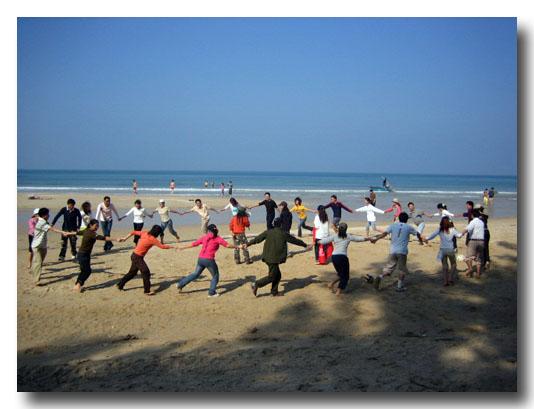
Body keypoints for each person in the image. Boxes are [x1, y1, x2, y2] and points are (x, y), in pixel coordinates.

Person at [245, 218, 311, 297]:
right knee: (272, 276)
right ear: (281, 225)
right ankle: (256, 284)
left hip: (267, 257)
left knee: (277, 275)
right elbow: (295, 240)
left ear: (273, 224)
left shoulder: (268, 232)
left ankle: (274, 292)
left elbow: (257, 239)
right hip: (273, 259)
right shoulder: (283, 233)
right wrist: (306, 245)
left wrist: (248, 244)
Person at [367, 212, 423, 292]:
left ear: (399, 218)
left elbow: (384, 234)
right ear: (407, 220)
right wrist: (420, 241)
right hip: (402, 252)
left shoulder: (393, 225)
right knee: (401, 270)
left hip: (392, 251)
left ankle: (380, 276)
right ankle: (399, 287)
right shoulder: (409, 227)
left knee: (389, 268)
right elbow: (417, 234)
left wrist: (376, 239)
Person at [177, 224, 238, 297]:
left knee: (195, 274)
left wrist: (183, 247)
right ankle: (211, 293)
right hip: (209, 260)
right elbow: (227, 245)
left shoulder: (205, 237)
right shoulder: (218, 238)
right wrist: (237, 246)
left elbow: (194, 244)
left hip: (200, 259)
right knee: (215, 276)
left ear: (208, 231)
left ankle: (180, 284)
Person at [117, 225, 176, 295]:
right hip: (137, 257)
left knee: (132, 273)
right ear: (157, 233)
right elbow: (162, 246)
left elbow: (133, 232)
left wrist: (125, 238)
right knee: (145, 272)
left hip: (134, 255)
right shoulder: (153, 239)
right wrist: (172, 246)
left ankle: (120, 285)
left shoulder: (144, 233)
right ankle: (147, 291)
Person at [318, 223, 373, 295]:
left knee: (341, 274)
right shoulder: (348, 236)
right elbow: (359, 239)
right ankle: (338, 291)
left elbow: (322, 241)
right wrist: (369, 238)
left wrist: (317, 241)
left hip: (334, 257)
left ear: (339, 228)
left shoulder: (335, 236)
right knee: (345, 276)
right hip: (343, 258)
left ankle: (331, 284)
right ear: (346, 229)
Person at [31, 208, 75, 286]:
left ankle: (34, 271)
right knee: (38, 262)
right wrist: (64, 232)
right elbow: (53, 229)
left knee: (39, 262)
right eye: (48, 214)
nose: (49, 215)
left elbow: (38, 218)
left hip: (43, 245)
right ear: (44, 215)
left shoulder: (42, 220)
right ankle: (36, 280)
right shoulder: (42, 222)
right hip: (37, 245)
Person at [73, 219, 119, 293]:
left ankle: (78, 284)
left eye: (98, 226)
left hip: (85, 254)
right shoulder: (91, 233)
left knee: (85, 270)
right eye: (96, 226)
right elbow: (103, 238)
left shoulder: (86, 230)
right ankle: (77, 285)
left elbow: (77, 233)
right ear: (91, 225)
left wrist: (67, 233)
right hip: (83, 254)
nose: (97, 227)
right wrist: (116, 239)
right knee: (87, 271)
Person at [423, 217, 464, 286]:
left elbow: (432, 236)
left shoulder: (440, 229)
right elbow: (459, 236)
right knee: (453, 264)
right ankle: (450, 278)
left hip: (442, 250)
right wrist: (464, 232)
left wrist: (426, 238)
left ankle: (445, 281)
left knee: (445, 266)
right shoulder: (453, 229)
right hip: (450, 249)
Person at [462, 208, 485, 278]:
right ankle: (478, 274)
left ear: (472, 215)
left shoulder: (473, 221)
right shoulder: (482, 222)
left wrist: (461, 234)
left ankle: (470, 269)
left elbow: (467, 229)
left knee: (467, 257)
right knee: (479, 258)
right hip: (481, 241)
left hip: (473, 241)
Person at [475, 204, 491, 270]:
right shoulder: (485, 216)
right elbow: (487, 215)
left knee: (481, 248)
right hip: (487, 232)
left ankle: (483, 263)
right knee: (486, 247)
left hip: (482, 233)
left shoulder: (477, 216)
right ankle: (487, 261)